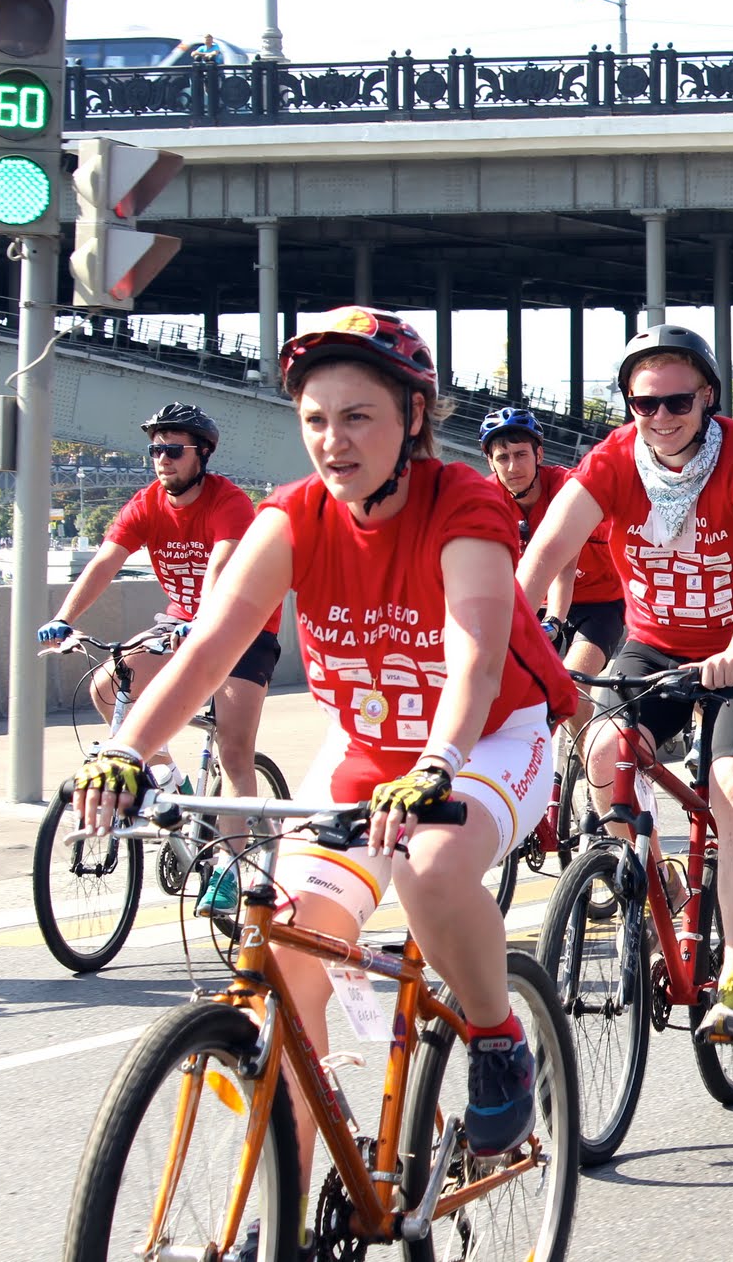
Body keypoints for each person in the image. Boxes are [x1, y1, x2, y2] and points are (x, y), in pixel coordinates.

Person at [72, 307, 577, 1173]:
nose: (332, 442)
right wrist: (126, 746)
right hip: (366, 748)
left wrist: (437, 762)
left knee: (429, 862)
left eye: (357, 418)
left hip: (486, 739)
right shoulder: (292, 515)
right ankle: (291, 1213)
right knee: (289, 950)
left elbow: (475, 660)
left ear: (414, 418)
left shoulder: (465, 502)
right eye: (314, 420)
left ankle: (498, 1039)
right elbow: (209, 649)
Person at [518, 326, 733, 1041]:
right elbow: (549, 544)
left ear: (706, 396)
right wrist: (509, 637)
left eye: (677, 401)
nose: (662, 417)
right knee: (605, 746)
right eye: (645, 404)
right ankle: (650, 875)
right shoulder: (614, 459)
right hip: (657, 644)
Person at [40, 403, 279, 820]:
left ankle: (228, 870)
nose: (162, 460)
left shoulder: (230, 502)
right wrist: (64, 618)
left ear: (202, 453)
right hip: (180, 622)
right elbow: (104, 563)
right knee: (107, 687)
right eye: (155, 451)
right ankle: (168, 779)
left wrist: (203, 623)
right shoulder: (145, 503)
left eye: (174, 450)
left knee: (234, 752)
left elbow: (219, 570)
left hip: (243, 625)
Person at [481, 405, 624, 743]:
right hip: (536, 604)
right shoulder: (485, 498)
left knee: (574, 683)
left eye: (521, 454)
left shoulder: (568, 488)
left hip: (598, 605)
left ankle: (583, 761)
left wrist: (557, 620)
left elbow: (564, 562)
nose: (513, 467)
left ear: (539, 454)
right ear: (490, 462)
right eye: (502, 458)